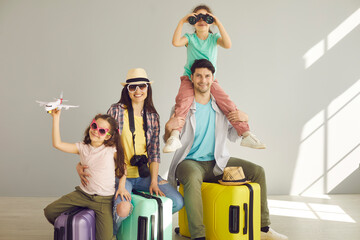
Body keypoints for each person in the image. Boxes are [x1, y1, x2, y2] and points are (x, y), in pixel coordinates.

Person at [165, 59, 288, 240]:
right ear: (191, 78)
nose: (203, 80)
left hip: (218, 161)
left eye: (207, 76)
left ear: (213, 79)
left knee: (258, 171)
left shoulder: (220, 108)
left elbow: (233, 135)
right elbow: (169, 141)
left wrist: (245, 117)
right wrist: (169, 128)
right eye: (198, 75)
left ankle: (264, 228)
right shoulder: (180, 108)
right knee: (191, 177)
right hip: (189, 162)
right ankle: (199, 235)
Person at [77, 68, 184, 235]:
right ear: (127, 90)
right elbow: (100, 140)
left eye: (142, 86)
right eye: (132, 87)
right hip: (120, 174)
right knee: (122, 209)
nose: (138, 91)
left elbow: (155, 152)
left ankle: (138, 222)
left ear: (148, 88)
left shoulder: (153, 117)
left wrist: (154, 181)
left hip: (144, 174)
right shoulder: (116, 110)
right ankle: (111, 234)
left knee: (176, 201)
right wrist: (80, 164)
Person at [163, 4, 266, 153]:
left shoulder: (214, 38)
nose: (201, 20)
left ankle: (246, 134)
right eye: (197, 18)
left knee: (227, 102)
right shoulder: (190, 38)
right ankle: (175, 136)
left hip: (209, 80)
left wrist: (218, 23)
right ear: (192, 22)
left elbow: (228, 44)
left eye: (205, 17)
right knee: (183, 102)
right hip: (189, 77)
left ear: (210, 21)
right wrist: (182, 21)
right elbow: (175, 42)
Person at [44, 110, 125, 240]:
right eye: (94, 126)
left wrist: (121, 187)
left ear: (108, 136)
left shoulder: (111, 150)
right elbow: (57, 144)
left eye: (102, 131)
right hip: (82, 194)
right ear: (91, 125)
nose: (96, 131)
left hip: (103, 201)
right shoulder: (81, 147)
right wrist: (56, 117)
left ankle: (91, 225)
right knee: (49, 211)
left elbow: (123, 168)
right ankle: (78, 229)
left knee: (105, 237)